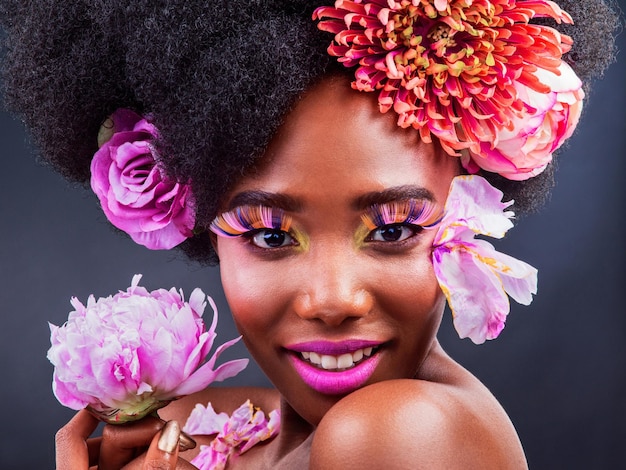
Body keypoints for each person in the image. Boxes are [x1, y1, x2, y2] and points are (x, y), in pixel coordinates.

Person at [0, 0, 619, 468]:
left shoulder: (399, 432)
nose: (331, 299)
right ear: (203, 228)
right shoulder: (229, 426)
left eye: (394, 229)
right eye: (270, 236)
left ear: (469, 215)